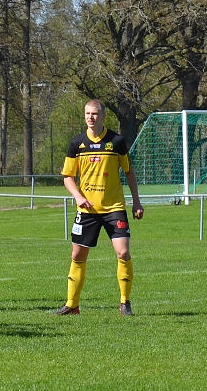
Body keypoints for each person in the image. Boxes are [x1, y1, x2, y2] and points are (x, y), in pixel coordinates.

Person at [56, 99, 144, 316]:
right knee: (77, 256)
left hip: (114, 208)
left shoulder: (117, 141)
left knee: (123, 253)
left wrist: (137, 201)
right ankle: (72, 304)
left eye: (94, 114)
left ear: (103, 116)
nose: (90, 117)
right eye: (87, 113)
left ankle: (124, 302)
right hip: (87, 211)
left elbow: (129, 171)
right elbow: (67, 176)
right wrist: (77, 196)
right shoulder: (77, 144)